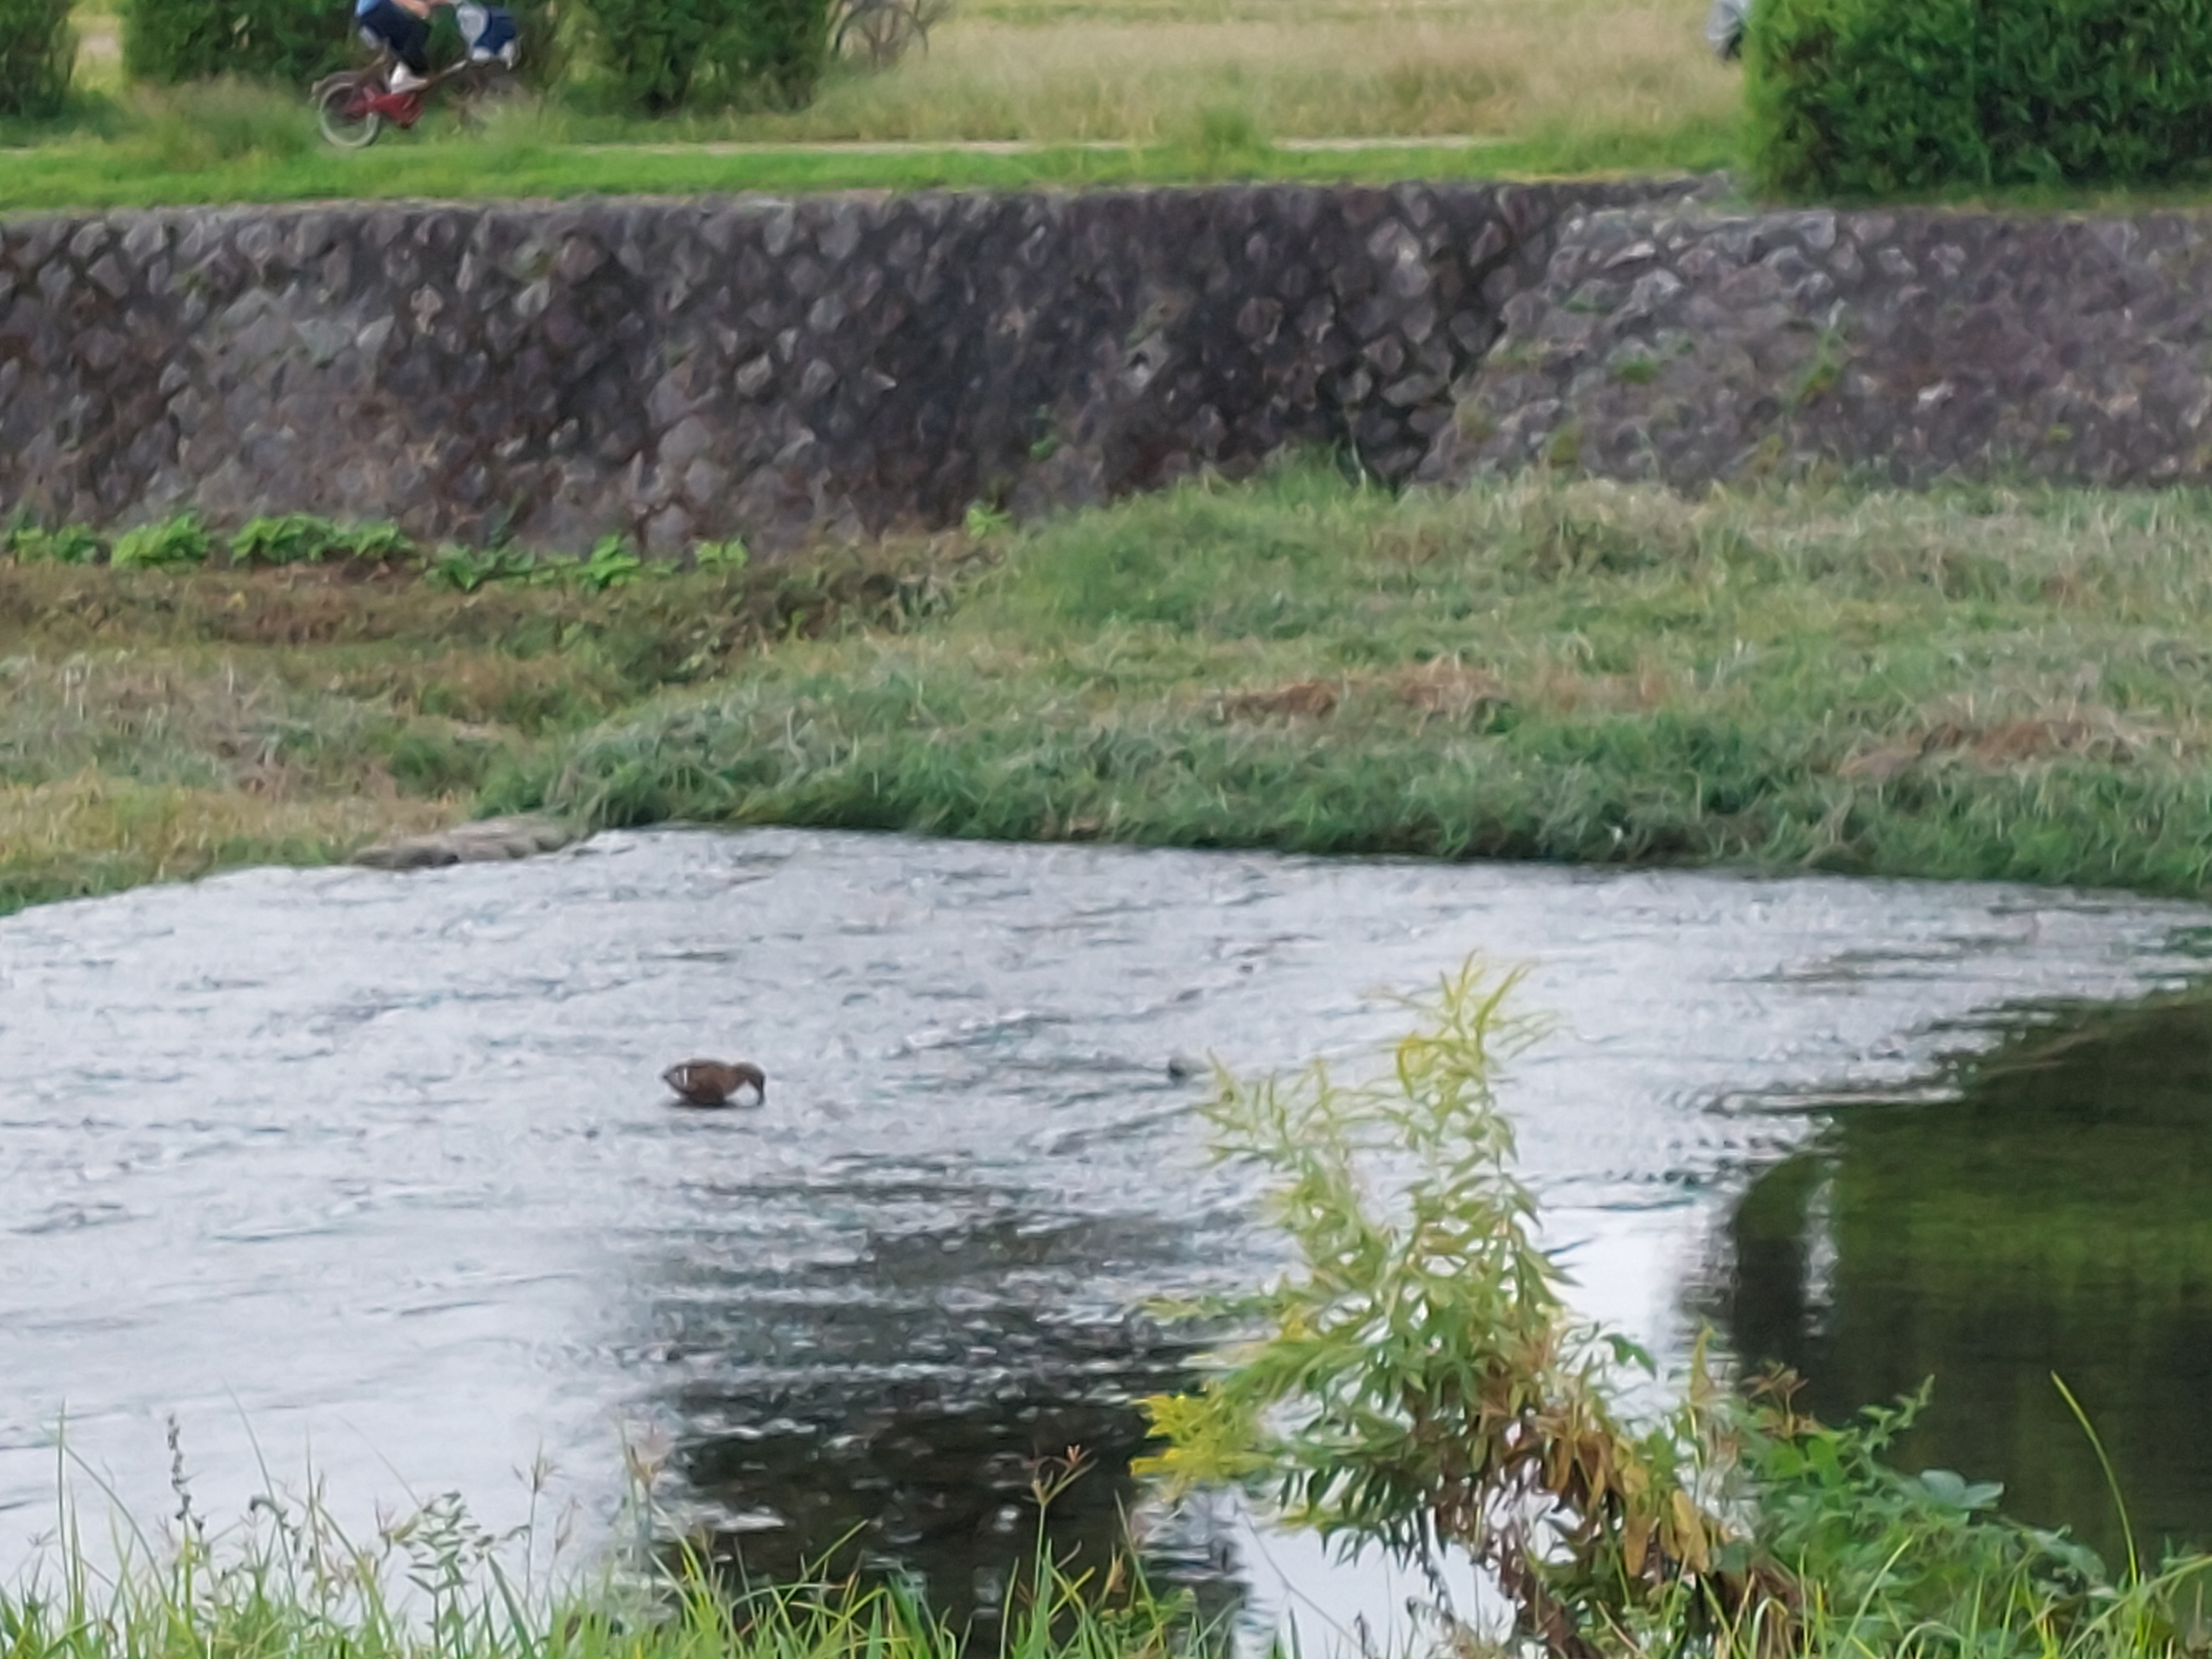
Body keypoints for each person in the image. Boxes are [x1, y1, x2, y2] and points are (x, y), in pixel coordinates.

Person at [354, 0, 436, 89]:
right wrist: (415, 6)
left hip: (368, 16)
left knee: (401, 41)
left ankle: (404, 77)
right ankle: (415, 73)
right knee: (417, 31)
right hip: (377, 9)